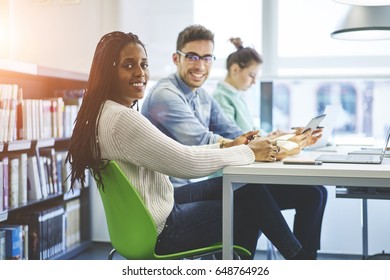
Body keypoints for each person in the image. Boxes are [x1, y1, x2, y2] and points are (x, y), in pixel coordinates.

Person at [65, 31, 311, 260]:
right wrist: (247, 151)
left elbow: (181, 153)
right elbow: (186, 163)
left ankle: (297, 259)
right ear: (107, 72)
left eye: (143, 64)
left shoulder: (106, 112)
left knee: (248, 190)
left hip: (156, 206)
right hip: (162, 227)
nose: (140, 73)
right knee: (249, 213)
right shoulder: (122, 118)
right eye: (128, 65)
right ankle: (298, 260)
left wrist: (228, 147)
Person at [141, 25, 327, 259]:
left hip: (185, 188)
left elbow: (238, 133)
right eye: (192, 57)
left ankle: (304, 260)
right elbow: (204, 141)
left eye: (207, 58)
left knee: (309, 194)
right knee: (248, 193)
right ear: (176, 58)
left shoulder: (201, 96)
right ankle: (297, 259)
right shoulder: (166, 95)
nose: (200, 65)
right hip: (166, 195)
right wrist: (256, 148)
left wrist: (290, 140)